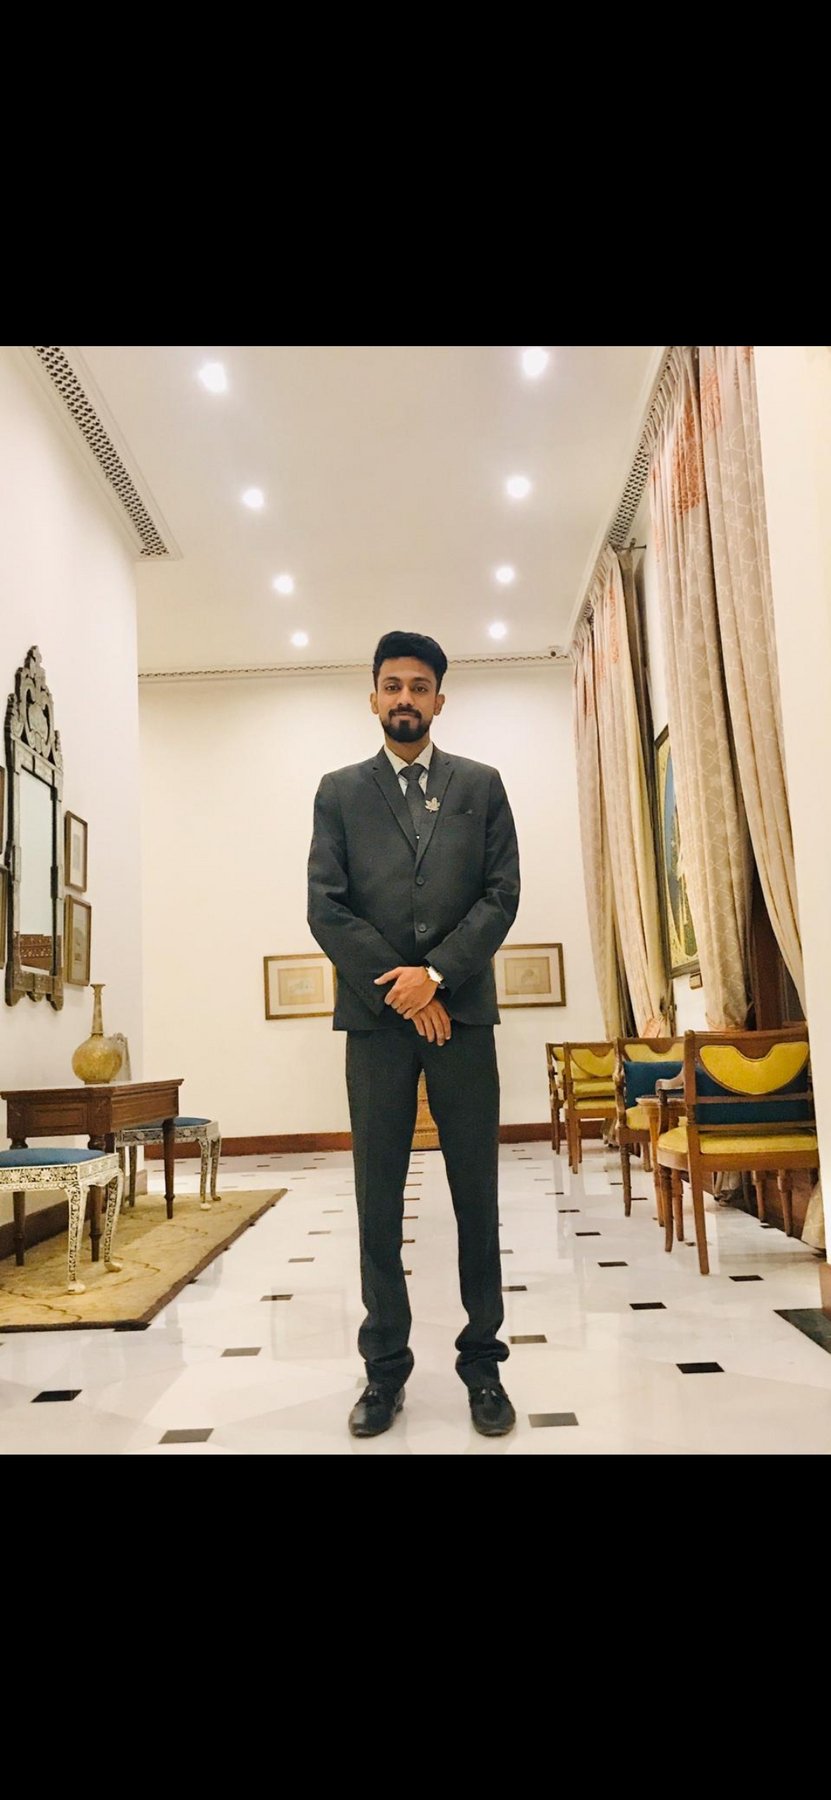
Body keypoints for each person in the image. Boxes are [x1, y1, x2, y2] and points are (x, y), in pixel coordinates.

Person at [307, 630, 521, 1439]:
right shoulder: (338, 791)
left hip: (461, 1017)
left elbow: (500, 895)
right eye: (392, 685)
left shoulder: (481, 785)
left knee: (476, 1194)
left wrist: (436, 976)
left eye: (419, 686)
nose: (405, 698)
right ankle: (383, 1371)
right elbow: (325, 906)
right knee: (377, 1195)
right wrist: (402, 988)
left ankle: (483, 1365)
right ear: (373, 697)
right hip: (375, 1023)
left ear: (439, 699)